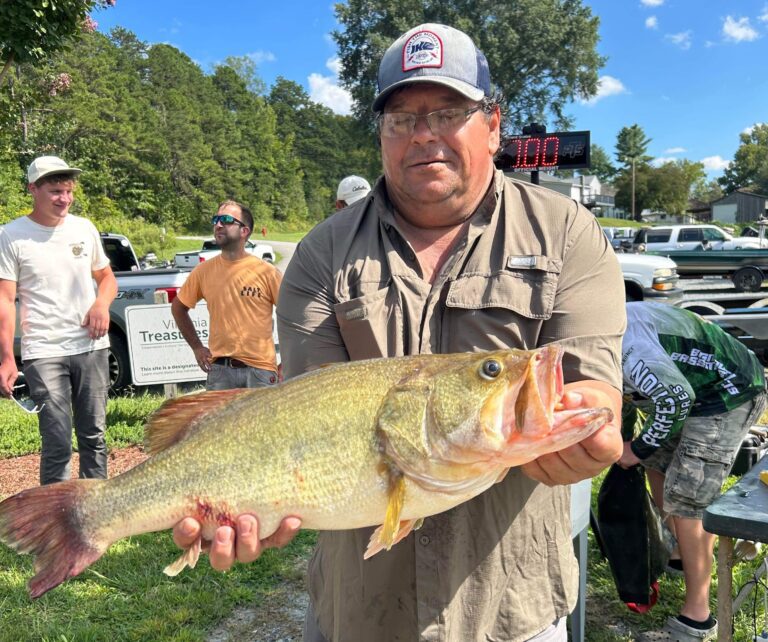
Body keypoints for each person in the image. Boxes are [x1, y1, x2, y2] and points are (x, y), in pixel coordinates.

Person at [173, 23, 626, 641]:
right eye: (401, 118)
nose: (424, 134)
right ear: (381, 134)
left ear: (493, 126)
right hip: (360, 610)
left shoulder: (567, 233)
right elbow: (306, 414)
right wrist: (252, 501)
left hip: (508, 607)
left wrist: (590, 423)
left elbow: (591, 383)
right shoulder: (321, 254)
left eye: (449, 112)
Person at [619, 302, 768, 642]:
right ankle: (680, 555)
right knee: (656, 464)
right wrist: (630, 444)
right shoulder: (595, 339)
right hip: (687, 390)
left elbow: (674, 399)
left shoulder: (628, 346)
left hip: (726, 393)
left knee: (689, 497)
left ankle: (697, 619)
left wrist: (635, 448)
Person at [0, 155, 117, 485]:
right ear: (33, 189)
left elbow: (107, 277)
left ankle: (95, 508)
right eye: (55, 191)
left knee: (94, 437)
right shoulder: (11, 235)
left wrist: (101, 304)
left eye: (68, 191)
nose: (64, 199)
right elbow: (5, 300)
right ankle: (55, 512)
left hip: (91, 347)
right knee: (57, 441)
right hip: (44, 351)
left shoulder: (84, 228)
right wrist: (7, 358)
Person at [171, 200, 281, 390]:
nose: (218, 224)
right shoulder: (203, 271)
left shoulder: (267, 272)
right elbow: (178, 308)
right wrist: (197, 347)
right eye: (216, 220)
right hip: (220, 371)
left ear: (244, 231)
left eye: (227, 220)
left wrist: (287, 360)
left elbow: (292, 315)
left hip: (261, 371)